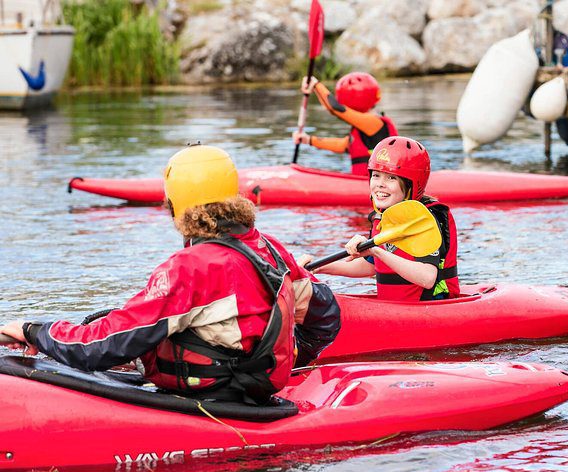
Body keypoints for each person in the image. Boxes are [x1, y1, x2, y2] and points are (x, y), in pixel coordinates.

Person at [0, 144, 341, 405]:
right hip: (251, 393)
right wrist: (283, 364)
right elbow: (325, 314)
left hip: (213, 402)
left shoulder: (190, 268)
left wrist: (33, 330)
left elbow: (99, 348)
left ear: (176, 204)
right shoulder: (272, 248)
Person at [300, 136, 459, 302]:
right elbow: (370, 266)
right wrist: (318, 268)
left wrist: (377, 250)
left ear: (411, 185)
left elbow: (427, 278)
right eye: (376, 175)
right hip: (395, 306)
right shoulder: (383, 215)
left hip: (429, 306)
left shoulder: (424, 220)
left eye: (391, 178)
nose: (380, 184)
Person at [292, 72, 398, 176]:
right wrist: (308, 140)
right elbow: (342, 145)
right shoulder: (364, 126)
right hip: (362, 182)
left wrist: (316, 84)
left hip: (375, 186)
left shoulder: (374, 123)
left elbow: (335, 109)